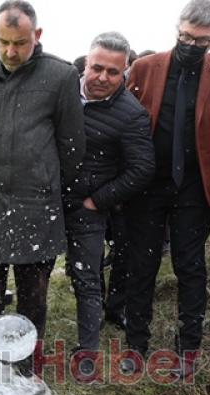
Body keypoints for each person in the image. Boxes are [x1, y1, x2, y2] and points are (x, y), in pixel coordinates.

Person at [0, 0, 85, 375]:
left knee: (33, 296)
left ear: (37, 36)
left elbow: (71, 146)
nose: (11, 52)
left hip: (35, 206)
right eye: (3, 42)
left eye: (20, 43)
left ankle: (26, 369)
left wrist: (47, 188)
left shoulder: (60, 76)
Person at [124, 0, 210, 370]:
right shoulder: (146, 68)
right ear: (177, 28)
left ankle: (187, 350)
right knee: (140, 264)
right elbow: (123, 124)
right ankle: (135, 346)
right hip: (148, 185)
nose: (191, 47)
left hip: (193, 186)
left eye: (201, 42)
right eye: (185, 37)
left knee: (190, 266)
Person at [64, 31, 155, 355]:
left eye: (113, 72)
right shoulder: (60, 91)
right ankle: (26, 344)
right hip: (45, 199)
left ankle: (87, 350)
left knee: (86, 278)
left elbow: (142, 168)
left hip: (88, 209)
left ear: (125, 72)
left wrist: (98, 200)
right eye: (96, 68)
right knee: (34, 274)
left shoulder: (132, 115)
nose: (102, 77)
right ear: (85, 63)